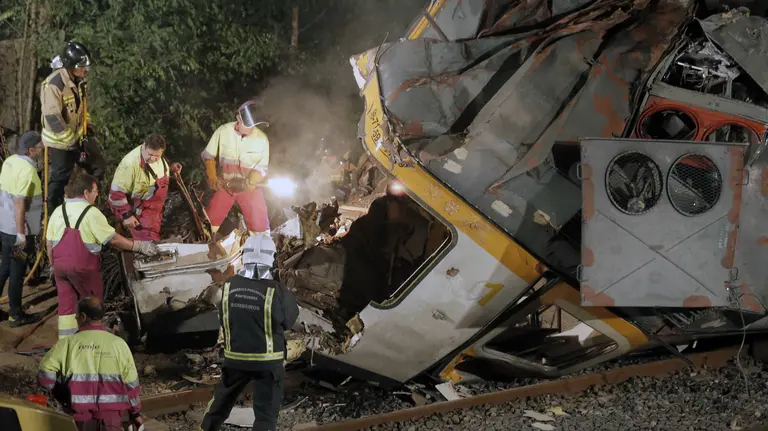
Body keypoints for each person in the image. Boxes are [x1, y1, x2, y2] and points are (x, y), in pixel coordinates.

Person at [200, 233, 299, 431]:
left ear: (245, 256)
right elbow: (289, 321)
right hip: (268, 361)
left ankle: (206, 428)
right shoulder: (277, 291)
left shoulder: (229, 285)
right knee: (266, 413)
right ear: (271, 258)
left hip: (235, 358)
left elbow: (223, 317)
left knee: (221, 400)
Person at [47, 173, 160, 339]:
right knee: (93, 307)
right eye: (95, 191)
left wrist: (52, 266)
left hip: (59, 268)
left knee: (67, 309)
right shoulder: (91, 212)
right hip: (83, 268)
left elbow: (49, 244)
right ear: (86, 193)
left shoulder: (59, 211)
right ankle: (93, 343)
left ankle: (67, 343)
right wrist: (139, 246)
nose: (97, 194)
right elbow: (113, 240)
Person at [38, 297, 144, 431]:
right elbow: (132, 385)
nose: (75, 318)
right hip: (111, 421)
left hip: (78, 421)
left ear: (83, 317)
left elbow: (45, 375)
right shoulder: (119, 344)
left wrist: (58, 392)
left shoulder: (67, 344)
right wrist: (135, 413)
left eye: (76, 315)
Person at [41, 40, 105, 216]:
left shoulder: (79, 81)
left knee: (98, 165)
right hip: (60, 142)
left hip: (78, 137)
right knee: (61, 178)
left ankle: (87, 203)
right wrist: (71, 140)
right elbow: (53, 117)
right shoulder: (54, 84)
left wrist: (87, 124)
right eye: (81, 67)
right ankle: (54, 214)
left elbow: (81, 108)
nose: (85, 71)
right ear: (70, 66)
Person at [202, 101, 270, 238]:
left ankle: (261, 246)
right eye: (248, 125)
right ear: (238, 118)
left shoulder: (262, 139)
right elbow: (208, 156)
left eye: (253, 126)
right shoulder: (223, 131)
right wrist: (212, 177)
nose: (251, 129)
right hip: (224, 185)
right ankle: (204, 243)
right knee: (209, 221)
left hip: (248, 188)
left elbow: (262, 168)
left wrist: (252, 180)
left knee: (260, 225)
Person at [0, 131, 45, 327]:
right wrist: (21, 235)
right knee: (17, 271)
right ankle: (15, 315)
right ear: (31, 150)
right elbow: (19, 204)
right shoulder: (27, 171)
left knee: (5, 266)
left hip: (4, 227)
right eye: (40, 147)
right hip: (18, 232)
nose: (43, 150)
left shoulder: (10, 161)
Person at [108, 133, 182, 240]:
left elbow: (157, 164)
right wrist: (126, 216)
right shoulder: (130, 164)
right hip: (142, 210)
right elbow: (116, 193)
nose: (153, 158)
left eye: (157, 156)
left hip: (157, 207)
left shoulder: (156, 153)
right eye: (150, 154)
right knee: (147, 241)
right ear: (144, 146)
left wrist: (170, 167)